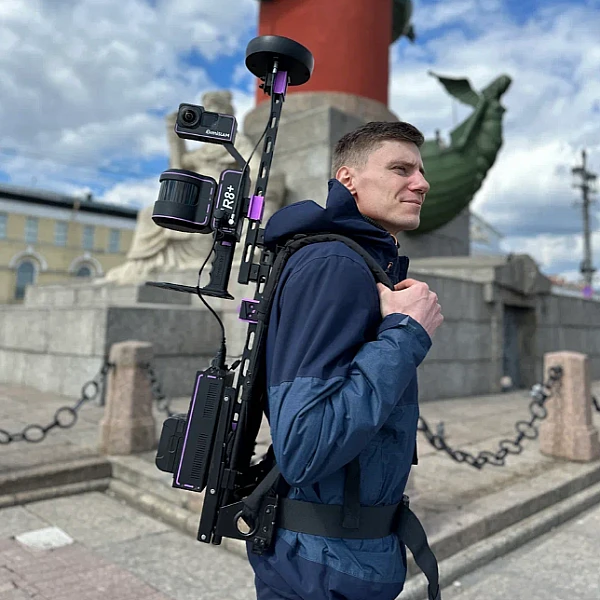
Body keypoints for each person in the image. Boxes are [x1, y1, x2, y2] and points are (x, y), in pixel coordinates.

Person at [247, 121, 444, 600]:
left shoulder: (358, 261)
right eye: (401, 169)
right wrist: (407, 332)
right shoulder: (334, 264)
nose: (421, 183)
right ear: (348, 179)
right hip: (322, 570)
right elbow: (306, 445)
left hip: (338, 559)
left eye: (421, 171)